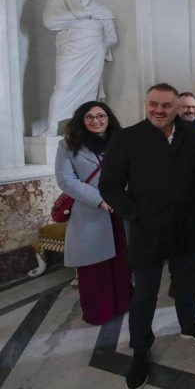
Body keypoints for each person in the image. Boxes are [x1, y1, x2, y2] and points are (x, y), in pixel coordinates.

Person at [99, 83, 195, 389]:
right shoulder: (127, 139)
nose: (159, 110)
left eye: (166, 105)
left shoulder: (193, 137)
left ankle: (189, 324)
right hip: (147, 230)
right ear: (146, 104)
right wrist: (136, 214)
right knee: (146, 291)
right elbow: (109, 185)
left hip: (187, 229)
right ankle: (140, 347)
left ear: (177, 108)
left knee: (187, 281)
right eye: (153, 104)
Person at [54, 101, 130, 325]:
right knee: (94, 267)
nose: (96, 121)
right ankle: (99, 312)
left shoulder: (122, 141)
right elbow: (66, 180)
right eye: (90, 117)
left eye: (101, 116)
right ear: (81, 120)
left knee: (121, 261)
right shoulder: (67, 145)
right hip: (90, 212)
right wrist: (99, 200)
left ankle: (123, 303)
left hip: (121, 210)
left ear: (108, 118)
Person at [41, 0, 117, 136]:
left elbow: (111, 37)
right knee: (63, 85)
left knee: (89, 93)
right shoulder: (59, 0)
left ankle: (87, 129)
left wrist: (100, 47)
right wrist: (80, 15)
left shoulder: (101, 9)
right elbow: (49, 22)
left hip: (93, 54)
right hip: (69, 51)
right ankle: (52, 126)